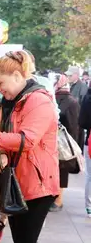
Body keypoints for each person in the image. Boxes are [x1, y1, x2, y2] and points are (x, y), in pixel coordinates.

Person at [0, 51, 59, 243]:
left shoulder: (39, 100)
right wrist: (0, 155)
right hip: (15, 180)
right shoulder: (7, 103)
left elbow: (27, 140)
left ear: (17, 76)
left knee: (25, 239)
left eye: (0, 83)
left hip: (38, 185)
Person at [49, 74, 80, 212]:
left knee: (61, 170)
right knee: (58, 170)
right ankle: (56, 199)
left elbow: (74, 126)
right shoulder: (58, 99)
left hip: (61, 142)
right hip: (58, 142)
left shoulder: (67, 101)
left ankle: (58, 200)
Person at [65, 66, 88, 152]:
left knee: (77, 147)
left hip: (78, 122)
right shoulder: (70, 85)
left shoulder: (82, 86)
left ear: (76, 75)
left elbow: (82, 105)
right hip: (71, 121)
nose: (68, 77)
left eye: (70, 75)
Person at [79, 82, 91, 218]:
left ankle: (89, 206)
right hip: (90, 140)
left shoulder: (87, 98)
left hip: (89, 139)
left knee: (90, 175)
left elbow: (82, 122)